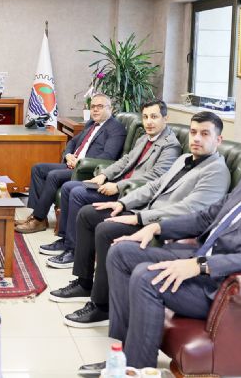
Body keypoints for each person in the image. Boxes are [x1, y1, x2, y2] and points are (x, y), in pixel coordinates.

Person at [77, 114, 241, 375]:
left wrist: (201, 265)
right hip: (202, 255)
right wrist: (157, 227)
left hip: (228, 285)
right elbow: (207, 217)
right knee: (121, 252)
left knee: (146, 278)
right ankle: (124, 352)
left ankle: (135, 367)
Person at [51, 112, 231, 329]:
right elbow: (155, 186)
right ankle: (84, 283)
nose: (197, 138)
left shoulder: (217, 171)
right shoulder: (184, 159)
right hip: (145, 212)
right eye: (193, 132)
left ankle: (102, 306)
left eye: (205, 134)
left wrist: (139, 217)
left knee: (105, 229)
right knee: (88, 214)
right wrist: (123, 203)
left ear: (218, 140)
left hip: (164, 227)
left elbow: (189, 209)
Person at [41, 100, 181, 269]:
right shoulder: (145, 138)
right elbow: (125, 160)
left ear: (165, 118)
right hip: (116, 184)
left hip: (129, 194)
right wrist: (104, 175)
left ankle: (73, 250)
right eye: (145, 117)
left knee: (77, 193)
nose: (149, 122)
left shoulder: (170, 145)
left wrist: (118, 186)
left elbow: (155, 177)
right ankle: (66, 240)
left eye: (154, 117)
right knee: (68, 187)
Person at [15, 93, 126, 234]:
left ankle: (38, 219)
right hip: (73, 164)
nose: (95, 110)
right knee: (38, 168)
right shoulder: (91, 124)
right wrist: (68, 155)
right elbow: (73, 142)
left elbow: (108, 157)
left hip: (87, 170)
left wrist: (80, 162)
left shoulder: (116, 128)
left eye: (100, 106)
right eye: (93, 106)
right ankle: (36, 215)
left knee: (54, 175)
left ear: (110, 109)